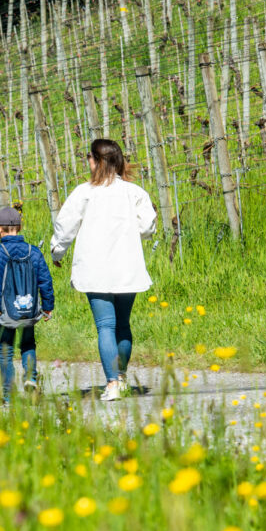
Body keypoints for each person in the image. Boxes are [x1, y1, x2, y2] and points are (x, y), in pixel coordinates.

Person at [50, 139, 156, 402]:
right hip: (127, 266)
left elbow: (65, 227)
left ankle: (112, 383)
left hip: (95, 268)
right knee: (122, 324)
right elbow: (147, 227)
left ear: (97, 161)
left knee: (105, 326)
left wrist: (57, 252)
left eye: (89, 157)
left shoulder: (84, 192)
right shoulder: (134, 192)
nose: (88, 161)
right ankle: (120, 377)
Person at [0, 206, 54, 400]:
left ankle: (8, 394)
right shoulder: (34, 251)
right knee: (28, 344)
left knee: (5, 352)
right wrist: (47, 306)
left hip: (5, 313)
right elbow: (45, 280)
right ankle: (30, 378)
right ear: (19, 227)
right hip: (29, 311)